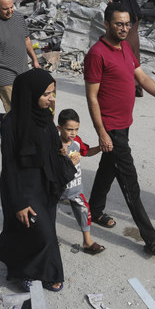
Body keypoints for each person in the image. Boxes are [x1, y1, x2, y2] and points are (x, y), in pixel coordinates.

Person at [84, 2, 155, 256]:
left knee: (108, 168)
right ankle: (151, 239)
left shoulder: (125, 46)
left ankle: (94, 210)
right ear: (106, 24)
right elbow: (92, 98)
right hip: (111, 128)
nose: (124, 28)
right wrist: (102, 133)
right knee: (130, 183)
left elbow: (142, 77)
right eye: (119, 23)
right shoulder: (97, 54)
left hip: (124, 124)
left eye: (127, 24)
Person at [0, 69, 73, 292]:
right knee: (41, 233)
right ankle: (26, 273)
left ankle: (34, 267)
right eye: (46, 94)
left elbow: (51, 143)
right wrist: (18, 202)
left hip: (45, 184)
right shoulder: (11, 124)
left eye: (52, 93)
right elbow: (9, 165)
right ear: (30, 94)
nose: (51, 98)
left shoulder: (45, 116)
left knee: (39, 231)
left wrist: (62, 150)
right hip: (22, 187)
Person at [0, 0, 40, 120]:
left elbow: (27, 40)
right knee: (17, 110)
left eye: (11, 7)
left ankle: (5, 121)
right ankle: (14, 136)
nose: (9, 11)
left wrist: (34, 59)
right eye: (5, 9)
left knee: (26, 106)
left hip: (22, 72)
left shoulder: (18, 17)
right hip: (3, 74)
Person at [56, 108, 104, 255]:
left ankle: (87, 241)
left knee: (84, 211)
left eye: (76, 129)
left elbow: (86, 152)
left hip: (75, 188)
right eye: (69, 129)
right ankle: (50, 239)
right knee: (49, 215)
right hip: (56, 190)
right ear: (59, 128)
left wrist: (101, 147)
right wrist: (66, 161)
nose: (73, 133)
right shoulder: (54, 145)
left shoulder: (76, 141)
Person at [110, 0, 143, 97]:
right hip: (135, 40)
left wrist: (110, 7)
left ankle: (125, 90)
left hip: (125, 41)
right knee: (135, 65)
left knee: (123, 66)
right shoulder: (134, 8)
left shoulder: (121, 11)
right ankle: (137, 89)